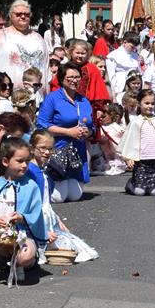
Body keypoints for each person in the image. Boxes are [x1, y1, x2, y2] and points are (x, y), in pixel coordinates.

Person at [0, 137, 46, 287]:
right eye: (19, 161)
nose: (25, 165)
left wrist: (21, 217)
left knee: (25, 258)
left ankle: (19, 263)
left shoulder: (31, 186)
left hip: (22, 235)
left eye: (27, 160)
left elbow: (36, 215)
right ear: (6, 161)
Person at [24, 132, 98, 262]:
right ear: (31, 148)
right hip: (35, 220)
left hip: (48, 218)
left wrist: (57, 220)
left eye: (50, 149)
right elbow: (30, 206)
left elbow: (47, 203)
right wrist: (42, 231)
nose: (47, 152)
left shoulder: (44, 172)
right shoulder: (29, 172)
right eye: (42, 148)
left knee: (74, 245)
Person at [37, 62, 94, 203]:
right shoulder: (53, 98)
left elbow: (93, 127)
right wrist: (68, 132)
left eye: (77, 77)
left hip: (77, 154)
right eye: (70, 77)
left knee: (75, 196)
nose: (74, 80)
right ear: (62, 79)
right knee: (58, 198)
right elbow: (41, 125)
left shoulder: (84, 100)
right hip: (58, 151)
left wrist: (88, 132)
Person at [121, 90, 155, 196]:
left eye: (152, 103)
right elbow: (130, 141)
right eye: (146, 103)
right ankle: (131, 184)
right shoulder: (136, 122)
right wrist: (129, 158)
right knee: (139, 192)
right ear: (139, 103)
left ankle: (150, 186)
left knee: (154, 192)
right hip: (141, 160)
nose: (150, 106)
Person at [0, 0, 48, 87]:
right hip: (7, 93)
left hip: (37, 95)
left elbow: (46, 67)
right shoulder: (0, 36)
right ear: (11, 16)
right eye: (18, 14)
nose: (23, 17)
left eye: (27, 14)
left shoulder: (38, 38)